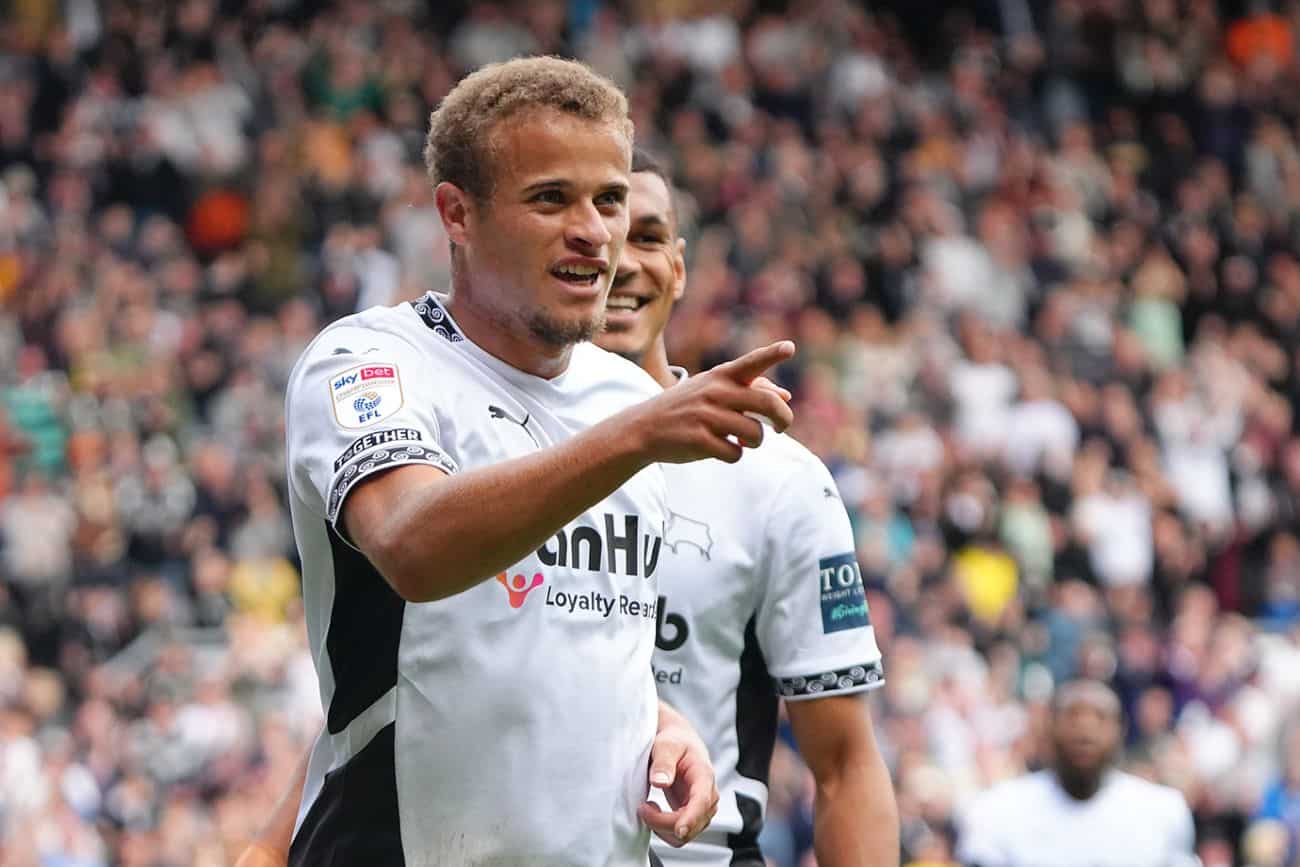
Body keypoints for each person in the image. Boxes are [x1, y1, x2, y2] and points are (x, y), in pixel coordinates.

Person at [280, 57, 794, 865]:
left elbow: (567, 639)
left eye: (610, 200)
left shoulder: (624, 397)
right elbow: (414, 545)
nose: (594, 232)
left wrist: (661, 726)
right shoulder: (369, 362)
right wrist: (637, 434)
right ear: (457, 214)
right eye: (551, 198)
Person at [594, 149, 899, 867]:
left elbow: (845, 765)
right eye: (601, 238)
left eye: (646, 238)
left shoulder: (776, 479)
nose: (621, 263)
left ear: (679, 266)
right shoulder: (479, 453)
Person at [955, 680, 1199, 867]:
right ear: (1049, 727)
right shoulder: (997, 809)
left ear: (1120, 730)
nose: (1085, 729)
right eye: (1071, 716)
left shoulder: (1163, 811)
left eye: (1100, 717)